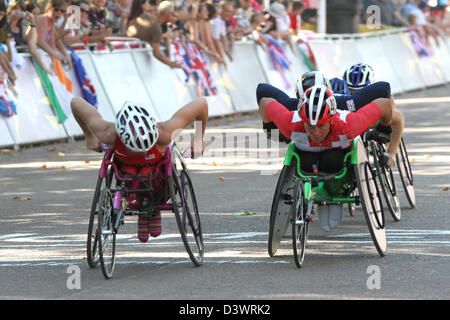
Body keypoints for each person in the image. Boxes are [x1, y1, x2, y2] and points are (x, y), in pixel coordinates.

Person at [71, 96, 208, 242]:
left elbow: (201, 104)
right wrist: (89, 136)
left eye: (143, 149)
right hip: (127, 173)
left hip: (156, 175)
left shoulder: (165, 133)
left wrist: (199, 138)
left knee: (147, 173)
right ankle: (140, 205)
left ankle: (152, 206)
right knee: (131, 172)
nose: (140, 154)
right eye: (135, 149)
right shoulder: (107, 133)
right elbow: (75, 102)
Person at [258, 84, 394, 231]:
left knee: (332, 160)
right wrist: (269, 128)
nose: (315, 132)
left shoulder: (349, 125)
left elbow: (385, 104)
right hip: (307, 157)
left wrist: (384, 129)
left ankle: (336, 192)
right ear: (302, 120)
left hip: (337, 159)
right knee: (306, 163)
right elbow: (264, 101)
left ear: (331, 120)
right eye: (309, 126)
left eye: (321, 126)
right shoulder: (290, 124)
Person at [343, 63, 404, 168]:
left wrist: (391, 152)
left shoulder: (383, 97)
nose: (356, 96)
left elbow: (398, 120)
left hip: (375, 118)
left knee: (397, 118)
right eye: (351, 92)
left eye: (361, 92)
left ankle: (391, 153)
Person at [126, 0, 181, 68]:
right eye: (174, 16)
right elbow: (157, 53)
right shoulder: (156, 28)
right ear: (169, 15)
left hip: (130, 48)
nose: (176, 19)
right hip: (130, 52)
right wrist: (171, 64)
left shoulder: (147, 16)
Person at [35, 0, 73, 70]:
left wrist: (53, 59)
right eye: (56, 9)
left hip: (41, 53)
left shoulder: (51, 22)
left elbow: (52, 43)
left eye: (62, 11)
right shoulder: (43, 19)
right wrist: (56, 55)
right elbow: (40, 41)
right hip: (34, 53)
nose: (59, 12)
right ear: (49, 8)